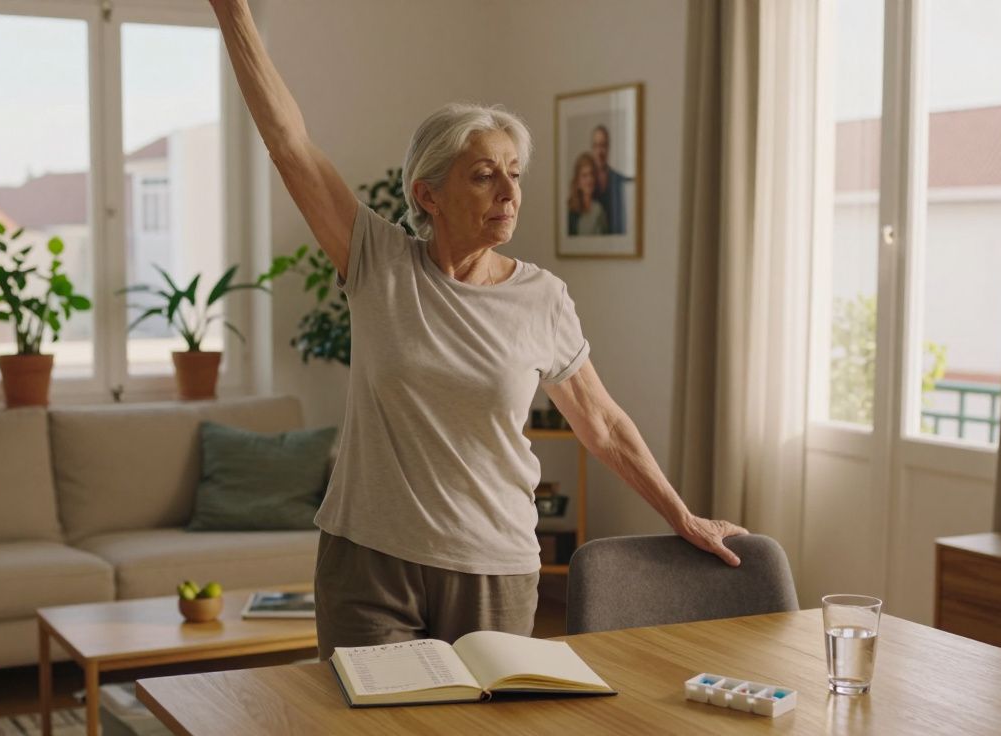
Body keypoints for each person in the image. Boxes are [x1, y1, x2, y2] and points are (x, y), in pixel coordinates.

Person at [208, 0, 746, 659]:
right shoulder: (378, 262)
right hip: (369, 561)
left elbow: (601, 425)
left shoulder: (542, 298)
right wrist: (233, 12)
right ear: (427, 193)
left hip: (494, 566)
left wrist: (680, 515)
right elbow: (289, 145)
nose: (508, 194)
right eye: (484, 176)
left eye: (514, 175)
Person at [590, 124, 632, 235]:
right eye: (596, 146)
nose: (600, 152)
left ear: (608, 147)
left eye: (603, 145)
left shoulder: (620, 181)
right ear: (592, 149)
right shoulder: (585, 182)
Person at [567, 153, 607, 236]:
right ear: (577, 181)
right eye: (584, 176)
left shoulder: (600, 209)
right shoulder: (569, 212)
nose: (589, 180)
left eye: (591, 174)